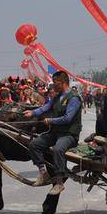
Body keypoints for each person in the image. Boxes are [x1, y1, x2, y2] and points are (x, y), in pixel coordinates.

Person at [24, 71, 82, 199]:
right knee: (34, 144)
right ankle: (43, 172)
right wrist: (32, 113)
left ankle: (59, 182)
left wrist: (51, 121)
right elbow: (45, 108)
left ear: (63, 83)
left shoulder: (74, 98)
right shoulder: (56, 97)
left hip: (69, 135)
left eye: (55, 83)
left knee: (58, 149)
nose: (53, 86)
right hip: (55, 133)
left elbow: (68, 118)